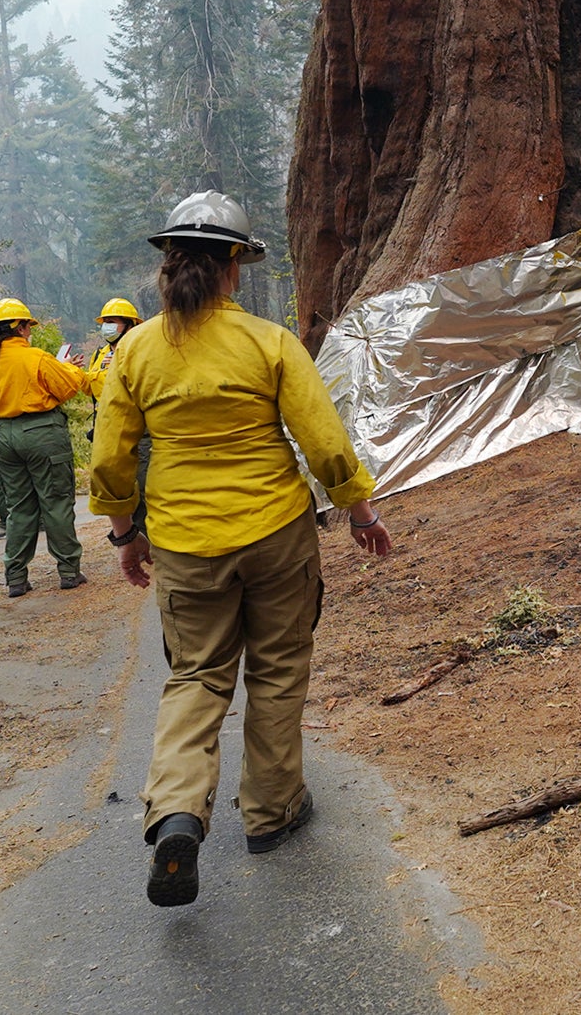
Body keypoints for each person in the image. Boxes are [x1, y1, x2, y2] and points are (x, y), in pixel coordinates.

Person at [89, 191, 392, 908]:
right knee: (280, 667)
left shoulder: (132, 350)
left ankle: (176, 815)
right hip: (275, 533)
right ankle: (271, 811)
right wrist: (359, 512)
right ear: (234, 267)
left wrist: (126, 534)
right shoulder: (268, 343)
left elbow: (109, 458)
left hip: (186, 542)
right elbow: (323, 442)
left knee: (196, 675)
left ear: (170, 264)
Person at [0, 298, 90, 597]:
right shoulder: (36, 357)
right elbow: (66, 388)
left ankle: (16, 578)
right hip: (41, 432)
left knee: (19, 507)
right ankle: (68, 571)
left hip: (4, 435)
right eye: (28, 325)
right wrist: (69, 370)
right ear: (21, 328)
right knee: (56, 501)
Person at [85, 297, 149, 536]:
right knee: (116, 480)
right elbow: (91, 386)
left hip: (138, 426)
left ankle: (145, 533)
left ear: (130, 324)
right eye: (105, 322)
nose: (107, 327)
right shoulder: (99, 355)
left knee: (143, 481)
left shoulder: (141, 349)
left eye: (112, 322)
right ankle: (130, 531)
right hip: (108, 425)